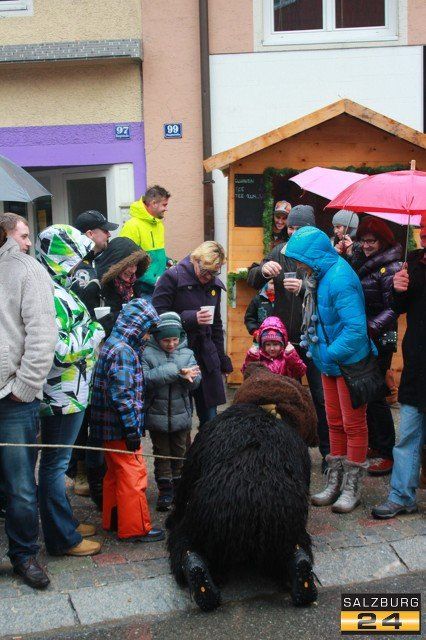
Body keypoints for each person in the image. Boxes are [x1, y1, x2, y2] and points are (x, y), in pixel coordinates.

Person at [285, 226, 372, 513]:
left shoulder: (340, 278)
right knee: (333, 422)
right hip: (329, 362)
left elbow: (356, 330)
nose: (298, 267)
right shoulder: (319, 276)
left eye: (300, 260)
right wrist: (323, 355)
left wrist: (328, 353)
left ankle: (351, 487)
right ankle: (335, 482)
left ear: (313, 256)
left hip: (349, 363)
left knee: (353, 425)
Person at [36, 225, 105, 557]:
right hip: (60, 394)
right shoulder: (47, 292)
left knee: (56, 463)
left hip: (69, 391)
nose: (80, 264)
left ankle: (65, 523)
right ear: (62, 256)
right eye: (76, 256)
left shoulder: (55, 285)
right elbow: (58, 350)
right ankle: (62, 538)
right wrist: (95, 332)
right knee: (55, 465)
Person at [247, 205, 330, 471]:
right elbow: (251, 278)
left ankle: (328, 453)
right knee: (284, 398)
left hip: (314, 339)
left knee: (321, 396)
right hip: (284, 341)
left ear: (311, 229)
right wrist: (263, 271)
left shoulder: (321, 255)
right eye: (291, 227)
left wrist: (305, 288)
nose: (293, 232)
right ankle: (287, 451)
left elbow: (331, 293)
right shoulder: (279, 252)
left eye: (299, 228)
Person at [0, 227, 57, 589]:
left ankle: (23, 554)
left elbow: (43, 334)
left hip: (11, 398)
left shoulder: (25, 269)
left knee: (20, 485)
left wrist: (24, 387)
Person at [90, 298, 165, 542]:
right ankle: (135, 528)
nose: (148, 336)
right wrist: (132, 429)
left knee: (115, 473)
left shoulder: (112, 343)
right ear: (137, 326)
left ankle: (114, 520)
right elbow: (122, 395)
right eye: (147, 330)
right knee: (133, 474)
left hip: (107, 428)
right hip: (120, 428)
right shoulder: (124, 351)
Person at [372, 214, 426, 519]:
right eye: (423, 233)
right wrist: (397, 288)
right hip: (417, 366)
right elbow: (397, 307)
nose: (424, 239)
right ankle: (401, 496)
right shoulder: (413, 263)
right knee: (407, 436)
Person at [153, 241, 233, 427]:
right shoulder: (172, 277)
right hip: (177, 353)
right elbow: (157, 316)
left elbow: (216, 325)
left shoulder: (213, 285)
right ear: (195, 260)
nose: (208, 277)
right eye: (205, 271)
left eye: (213, 273)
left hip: (206, 356)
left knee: (210, 420)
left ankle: (207, 446)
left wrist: (221, 359)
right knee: (180, 421)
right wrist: (191, 318)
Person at [69, 210, 118, 497]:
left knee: (96, 409)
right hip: (82, 348)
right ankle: (79, 471)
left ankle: (94, 468)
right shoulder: (78, 266)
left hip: (102, 344)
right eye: (104, 230)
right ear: (90, 234)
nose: (108, 234)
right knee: (82, 413)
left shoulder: (101, 260)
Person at [352, 217, 402, 476]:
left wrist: (370, 327)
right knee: (368, 391)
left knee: (377, 393)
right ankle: (376, 443)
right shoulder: (367, 261)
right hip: (368, 334)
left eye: (371, 241)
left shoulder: (390, 267)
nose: (366, 245)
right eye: (363, 240)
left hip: (383, 336)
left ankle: (387, 451)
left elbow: (394, 308)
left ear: (382, 241)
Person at [142, 312, 201, 511]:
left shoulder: (188, 354)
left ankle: (179, 488)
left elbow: (196, 382)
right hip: (156, 414)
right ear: (158, 337)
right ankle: (165, 490)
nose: (171, 344)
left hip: (181, 414)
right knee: (161, 453)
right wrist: (175, 371)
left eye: (175, 339)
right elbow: (145, 379)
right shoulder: (147, 354)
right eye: (166, 340)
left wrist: (189, 378)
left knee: (180, 451)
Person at [119, 185, 171, 299]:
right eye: (164, 205)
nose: (166, 209)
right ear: (154, 203)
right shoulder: (132, 226)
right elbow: (126, 261)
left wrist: (168, 261)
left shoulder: (159, 224)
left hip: (159, 288)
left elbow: (155, 255)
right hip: (142, 291)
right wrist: (152, 280)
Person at [242, 316, 306, 379]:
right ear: (263, 345)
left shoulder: (286, 357)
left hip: (284, 385)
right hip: (262, 385)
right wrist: (251, 357)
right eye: (268, 345)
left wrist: (292, 355)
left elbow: (300, 373)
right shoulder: (258, 357)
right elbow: (246, 373)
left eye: (275, 344)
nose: (272, 348)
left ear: (282, 344)